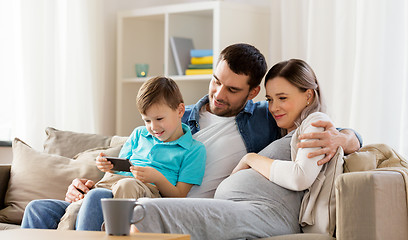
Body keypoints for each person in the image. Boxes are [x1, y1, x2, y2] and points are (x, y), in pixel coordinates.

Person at [21, 43, 361, 231]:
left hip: (171, 203)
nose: (218, 93)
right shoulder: (176, 116)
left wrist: (343, 140)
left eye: (232, 89)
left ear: (253, 91)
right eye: (216, 80)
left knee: (102, 205)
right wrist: (87, 183)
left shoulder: (266, 117)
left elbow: (329, 126)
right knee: (39, 211)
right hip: (130, 188)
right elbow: (132, 159)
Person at [131, 59, 346, 239]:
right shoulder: (177, 116)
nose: (274, 107)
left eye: (282, 98)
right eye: (270, 99)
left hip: (265, 213)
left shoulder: (308, 123)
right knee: (138, 209)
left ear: (308, 95)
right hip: (235, 207)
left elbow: (302, 174)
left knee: (146, 210)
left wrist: (250, 158)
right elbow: (138, 147)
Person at [21, 76, 206, 230]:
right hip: (108, 189)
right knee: (37, 208)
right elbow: (118, 172)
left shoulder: (194, 150)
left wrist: (156, 177)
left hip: (145, 194)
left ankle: (111, 228)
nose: (153, 127)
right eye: (147, 120)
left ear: (180, 110)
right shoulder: (139, 134)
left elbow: (180, 195)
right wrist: (108, 167)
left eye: (159, 119)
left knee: (119, 187)